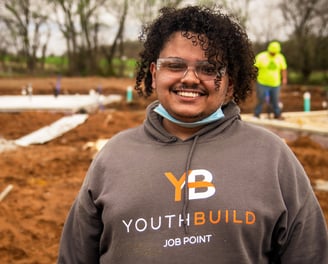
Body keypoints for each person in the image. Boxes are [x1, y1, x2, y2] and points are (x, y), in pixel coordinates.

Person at [57, 6, 328, 264]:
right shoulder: (113, 158)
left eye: (209, 69)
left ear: (230, 84)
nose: (190, 78)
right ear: (154, 74)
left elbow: (311, 254)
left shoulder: (271, 156)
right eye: (174, 65)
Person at [254, 41, 288, 119]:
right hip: (262, 82)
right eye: (272, 52)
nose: (274, 54)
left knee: (275, 100)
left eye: (275, 52)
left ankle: (277, 114)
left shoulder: (280, 57)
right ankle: (256, 114)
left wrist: (284, 78)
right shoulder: (261, 57)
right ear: (269, 50)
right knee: (261, 99)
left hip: (275, 83)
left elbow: (284, 69)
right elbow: (254, 68)